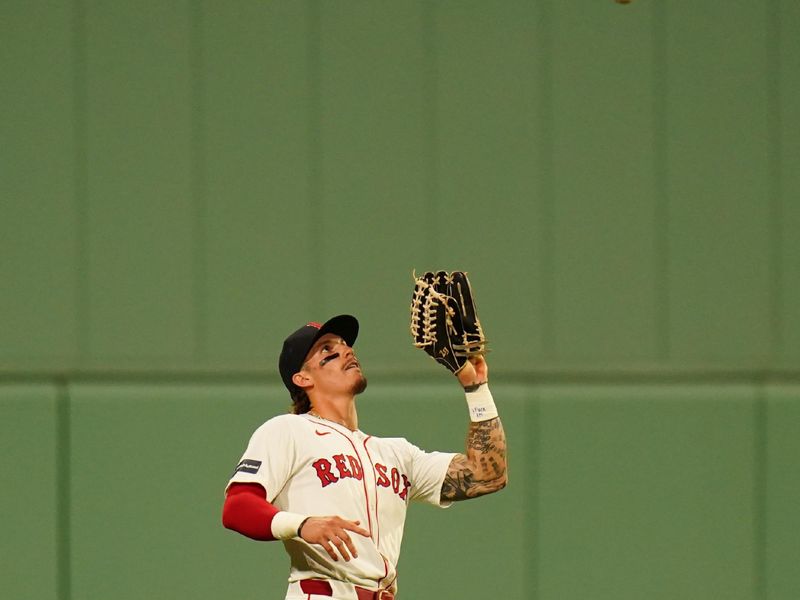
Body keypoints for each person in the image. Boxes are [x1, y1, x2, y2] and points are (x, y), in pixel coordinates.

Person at [222, 314, 507, 600]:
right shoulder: (288, 430)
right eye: (327, 350)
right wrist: (300, 524)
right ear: (303, 377)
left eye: (345, 344)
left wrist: (476, 387)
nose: (346, 350)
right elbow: (237, 507)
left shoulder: (396, 453)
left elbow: (487, 474)